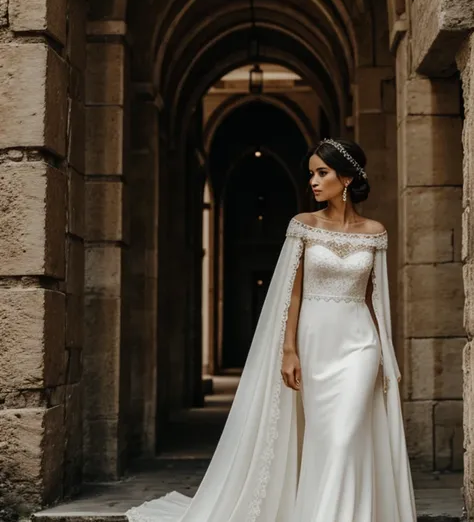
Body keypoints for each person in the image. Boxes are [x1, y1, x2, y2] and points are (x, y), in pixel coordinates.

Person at [127, 137, 417, 522]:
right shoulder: (303, 226)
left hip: (360, 344)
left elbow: (374, 300)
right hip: (314, 342)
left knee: (347, 435)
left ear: (346, 177)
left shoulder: (375, 232)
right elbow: (291, 295)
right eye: (311, 173)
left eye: (322, 173)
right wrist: (289, 349)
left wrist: (385, 355)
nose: (313, 181)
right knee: (323, 436)